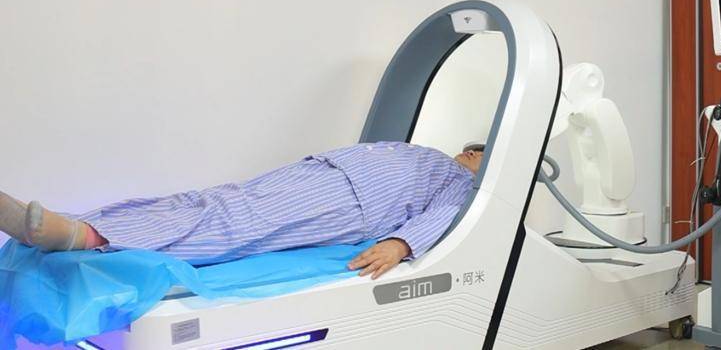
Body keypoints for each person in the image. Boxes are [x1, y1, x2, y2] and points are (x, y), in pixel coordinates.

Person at [0, 142, 484, 280]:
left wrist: (399, 244)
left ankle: (82, 238)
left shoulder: (462, 185)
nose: (479, 160)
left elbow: (445, 215)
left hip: (349, 203)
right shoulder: (427, 154)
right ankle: (77, 223)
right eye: (480, 153)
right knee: (212, 201)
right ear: (470, 150)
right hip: (321, 173)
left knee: (238, 224)